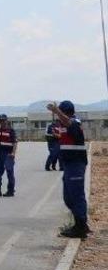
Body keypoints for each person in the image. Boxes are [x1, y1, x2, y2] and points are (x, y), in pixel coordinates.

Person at [47, 101, 89, 238]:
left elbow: (70, 125)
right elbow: (69, 137)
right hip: (69, 164)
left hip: (76, 164)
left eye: (61, 113)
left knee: (76, 196)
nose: (58, 117)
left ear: (66, 112)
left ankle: (81, 227)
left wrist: (56, 111)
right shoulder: (65, 125)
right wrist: (58, 136)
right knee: (68, 197)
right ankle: (80, 223)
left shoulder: (74, 122)